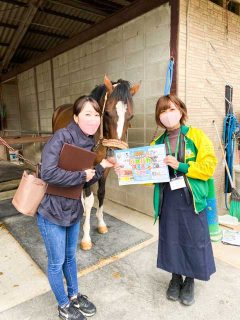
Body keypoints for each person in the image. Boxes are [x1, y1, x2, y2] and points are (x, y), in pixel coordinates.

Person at [37, 96, 113, 320]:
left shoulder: (89, 142)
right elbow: (48, 173)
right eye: (87, 114)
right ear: (76, 117)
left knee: (70, 257)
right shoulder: (61, 137)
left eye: (96, 115)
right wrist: (82, 174)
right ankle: (63, 305)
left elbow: (83, 182)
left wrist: (101, 167)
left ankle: (74, 296)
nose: (93, 119)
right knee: (56, 262)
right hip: (51, 212)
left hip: (72, 211)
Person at [151, 94, 217, 306]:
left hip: (192, 198)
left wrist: (182, 166)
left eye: (171, 109)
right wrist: (126, 170)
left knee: (193, 239)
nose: (167, 115)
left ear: (181, 111)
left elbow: (208, 167)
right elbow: (148, 176)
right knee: (171, 238)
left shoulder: (196, 136)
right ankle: (175, 277)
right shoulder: (156, 143)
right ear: (158, 117)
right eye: (163, 111)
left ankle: (190, 280)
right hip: (168, 198)